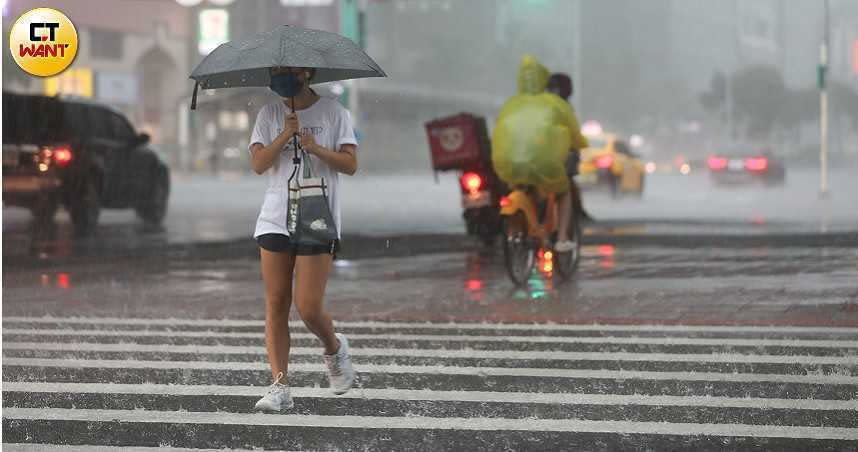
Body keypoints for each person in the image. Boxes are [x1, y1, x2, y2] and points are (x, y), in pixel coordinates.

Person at [248, 66, 358, 412]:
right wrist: (284, 136)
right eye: (276, 70)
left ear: (307, 73)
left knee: (308, 307)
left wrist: (316, 148)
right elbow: (259, 164)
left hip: (317, 216)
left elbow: (350, 164)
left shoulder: (334, 113)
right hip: (275, 217)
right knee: (277, 302)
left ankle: (333, 347)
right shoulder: (269, 113)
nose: (280, 76)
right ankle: (280, 386)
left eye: (287, 71)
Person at [491, 56, 588, 253]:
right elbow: (574, 135)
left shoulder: (511, 104)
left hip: (508, 161)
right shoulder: (556, 104)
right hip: (544, 163)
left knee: (521, 183)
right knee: (563, 191)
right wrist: (579, 145)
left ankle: (526, 223)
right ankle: (561, 239)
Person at [546, 72, 592, 223]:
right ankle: (563, 234)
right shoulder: (563, 107)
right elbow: (572, 133)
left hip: (544, 153)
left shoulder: (542, 104)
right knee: (566, 183)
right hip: (557, 153)